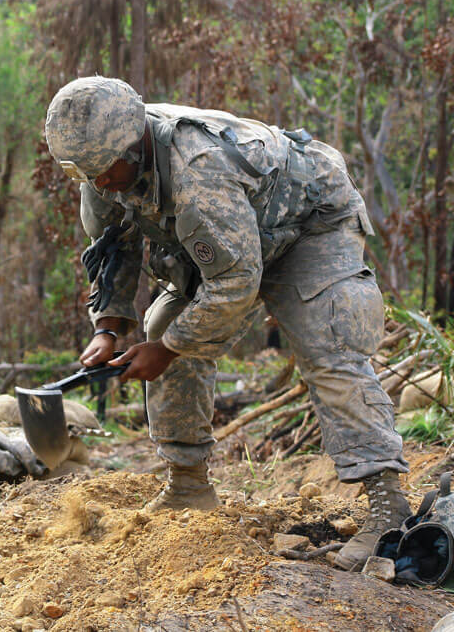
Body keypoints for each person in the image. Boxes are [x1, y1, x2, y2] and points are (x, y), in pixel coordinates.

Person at [44, 76, 410, 572]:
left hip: (307, 227)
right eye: (86, 175)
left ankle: (389, 510)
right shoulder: (100, 166)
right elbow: (113, 250)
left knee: (328, 343)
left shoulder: (197, 169)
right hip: (231, 241)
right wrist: (107, 327)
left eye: (105, 173)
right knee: (166, 320)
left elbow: (237, 282)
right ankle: (188, 485)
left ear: (135, 146)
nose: (99, 184)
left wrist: (169, 349)